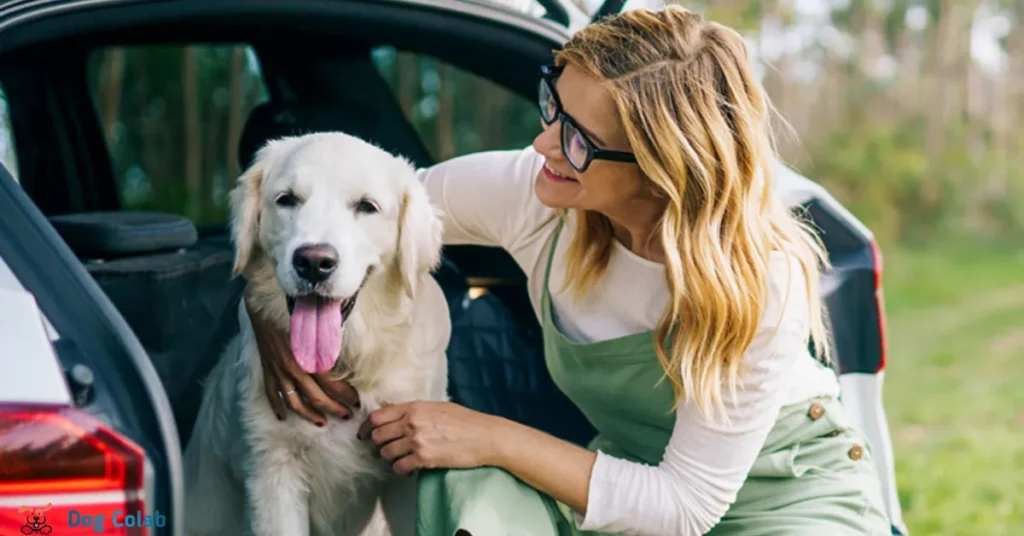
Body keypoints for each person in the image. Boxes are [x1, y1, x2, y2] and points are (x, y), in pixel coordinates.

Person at [245, 6, 891, 535]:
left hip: (788, 498)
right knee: (466, 493)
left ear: (660, 168)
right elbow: (363, 223)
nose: (543, 142)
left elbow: (685, 507)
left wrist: (489, 434)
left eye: (577, 138)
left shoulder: (761, 281)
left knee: (472, 453)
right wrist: (283, 310)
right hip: (627, 482)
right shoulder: (533, 192)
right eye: (552, 105)